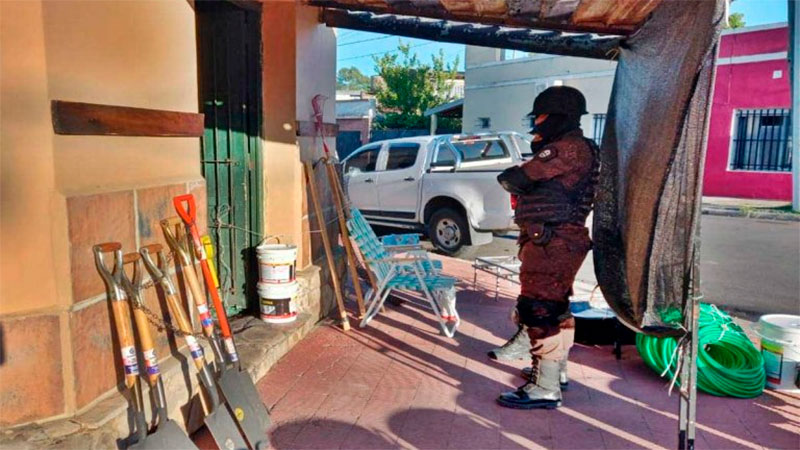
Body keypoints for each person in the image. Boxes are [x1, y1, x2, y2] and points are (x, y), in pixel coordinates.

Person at [491, 86, 599, 409]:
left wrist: (532, 158)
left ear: (557, 116)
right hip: (558, 240)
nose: (536, 123)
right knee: (556, 309)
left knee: (539, 311)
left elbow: (514, 179)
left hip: (552, 241)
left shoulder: (566, 148)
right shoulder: (577, 147)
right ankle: (556, 373)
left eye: (540, 117)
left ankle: (545, 387)